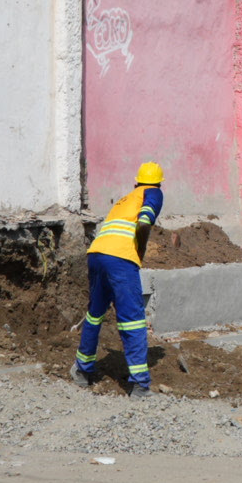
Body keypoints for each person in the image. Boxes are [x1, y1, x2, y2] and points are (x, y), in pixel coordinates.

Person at [72, 162, 164, 398]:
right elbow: (144, 222)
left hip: (96, 254)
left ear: (136, 181)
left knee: (95, 314)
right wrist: (140, 251)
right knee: (132, 319)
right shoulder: (153, 192)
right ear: (159, 182)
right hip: (120, 260)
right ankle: (139, 384)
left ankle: (82, 370)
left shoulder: (126, 199)